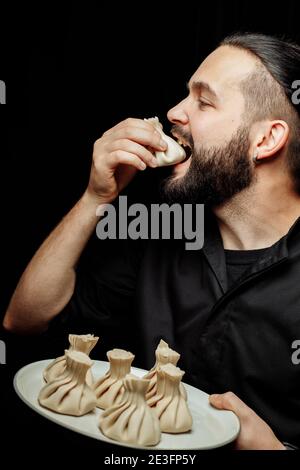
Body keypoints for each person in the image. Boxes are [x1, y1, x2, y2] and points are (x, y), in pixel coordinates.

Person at [3, 32, 300, 450]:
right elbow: (25, 320)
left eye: (203, 100)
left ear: (266, 140)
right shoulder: (159, 229)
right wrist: (97, 197)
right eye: (185, 95)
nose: (174, 112)